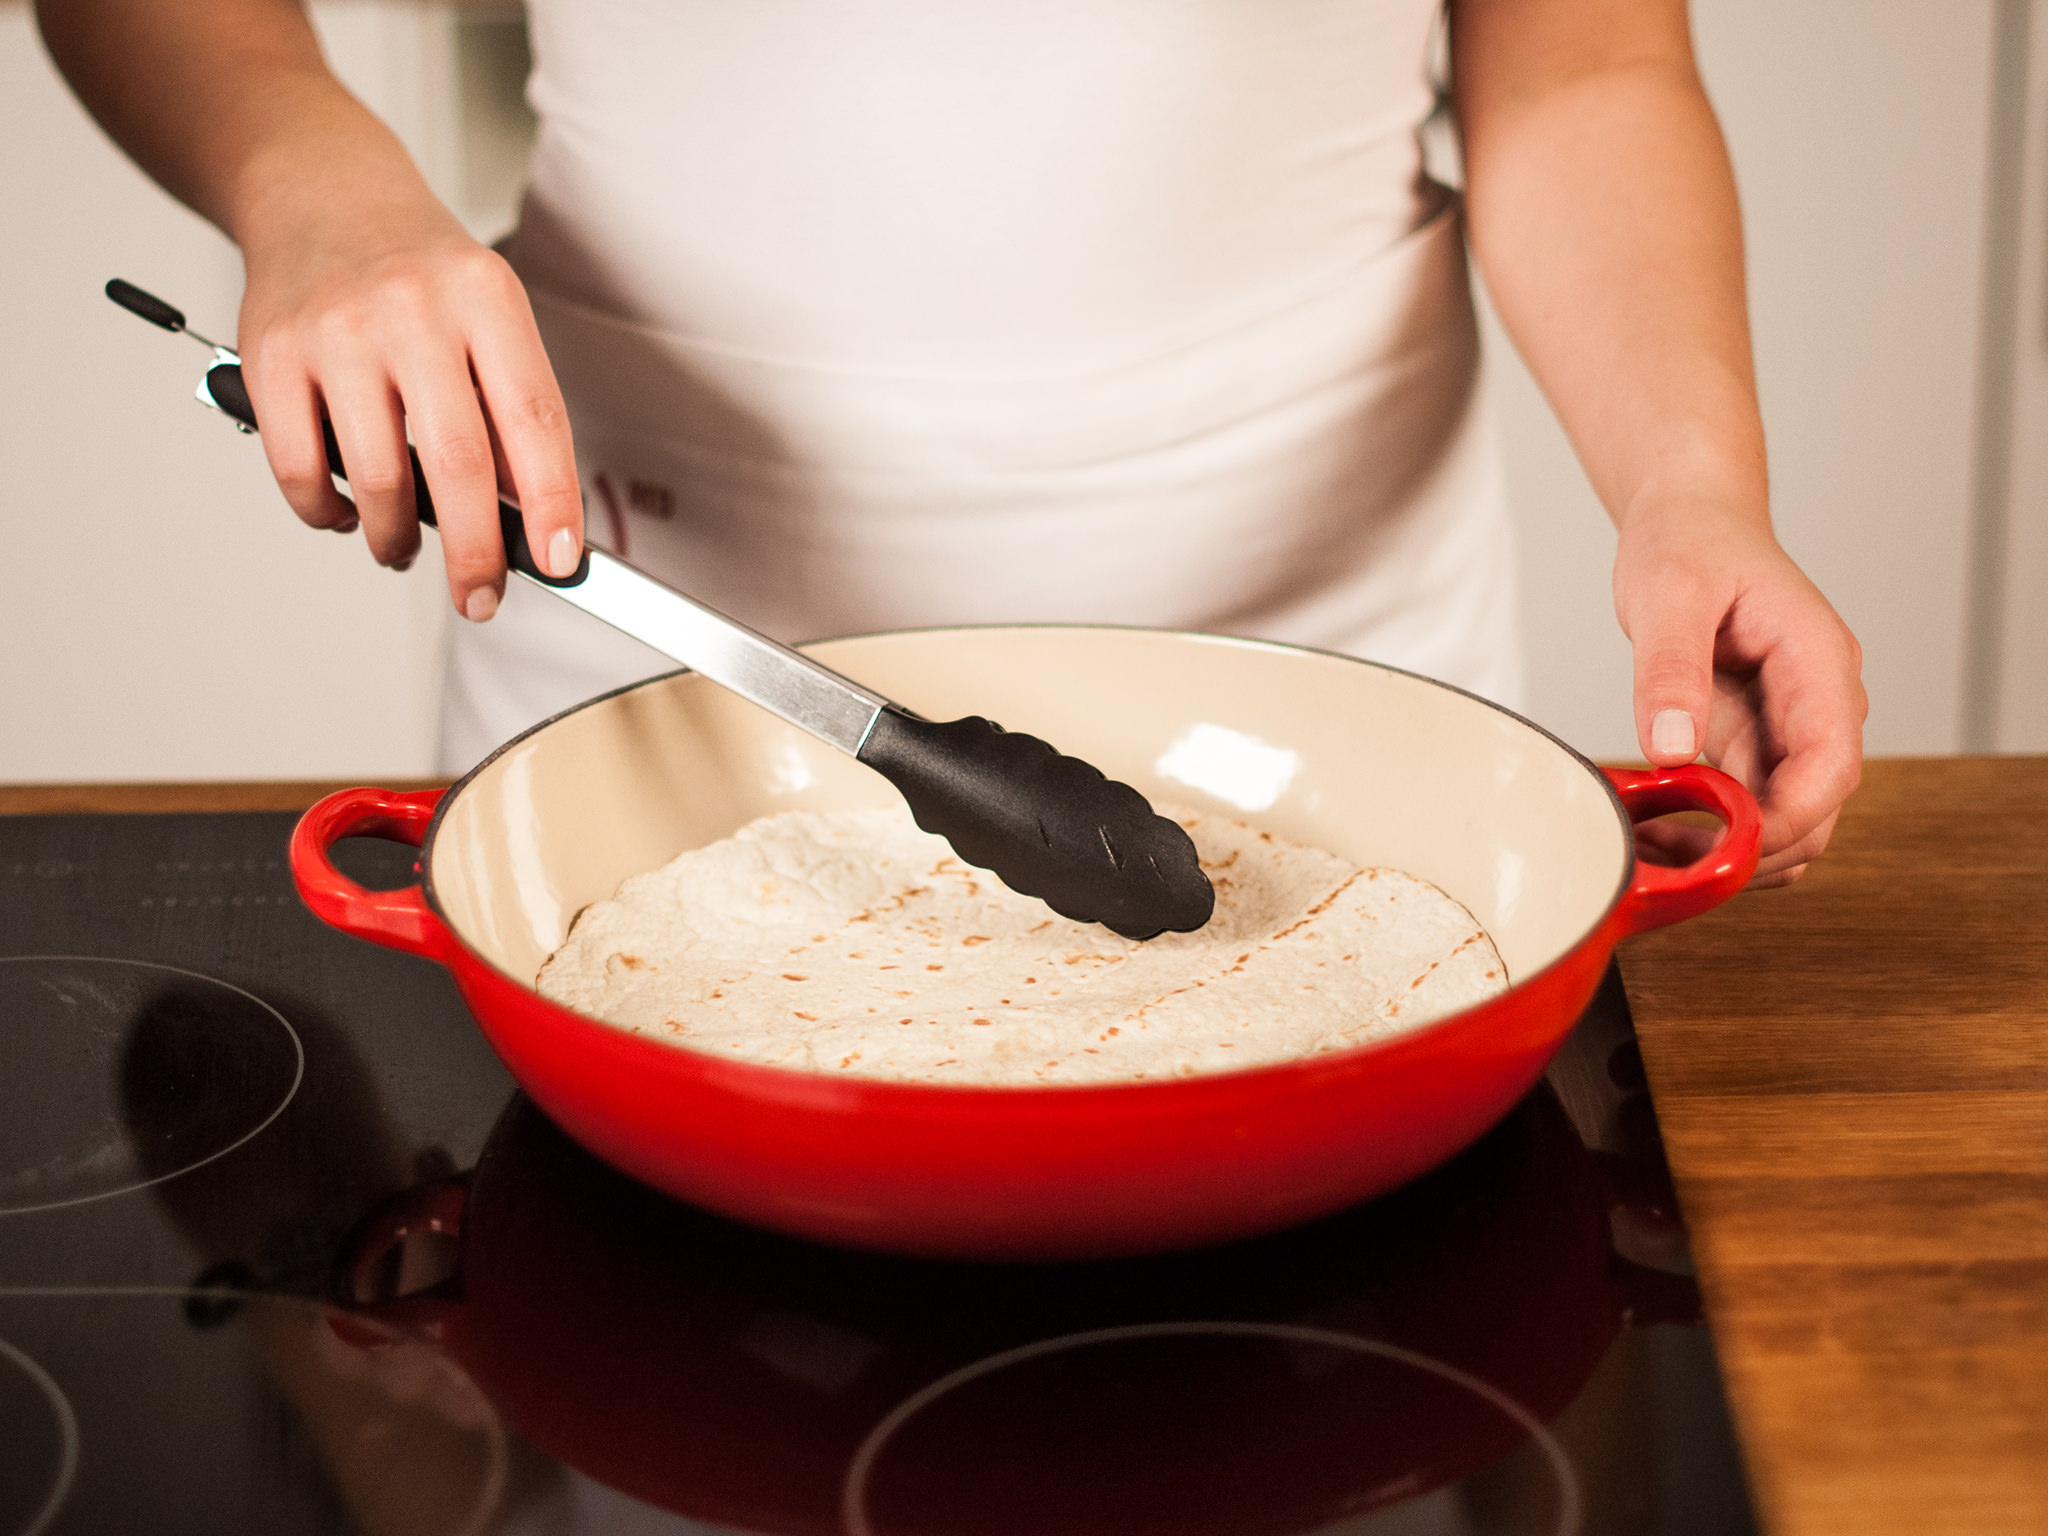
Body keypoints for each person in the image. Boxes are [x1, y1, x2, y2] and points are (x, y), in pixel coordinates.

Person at [40, 0, 1864, 886]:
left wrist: (1692, 487)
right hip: (652, 675)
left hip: (1343, 693)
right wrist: (312, 184)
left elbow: (1584, 66)